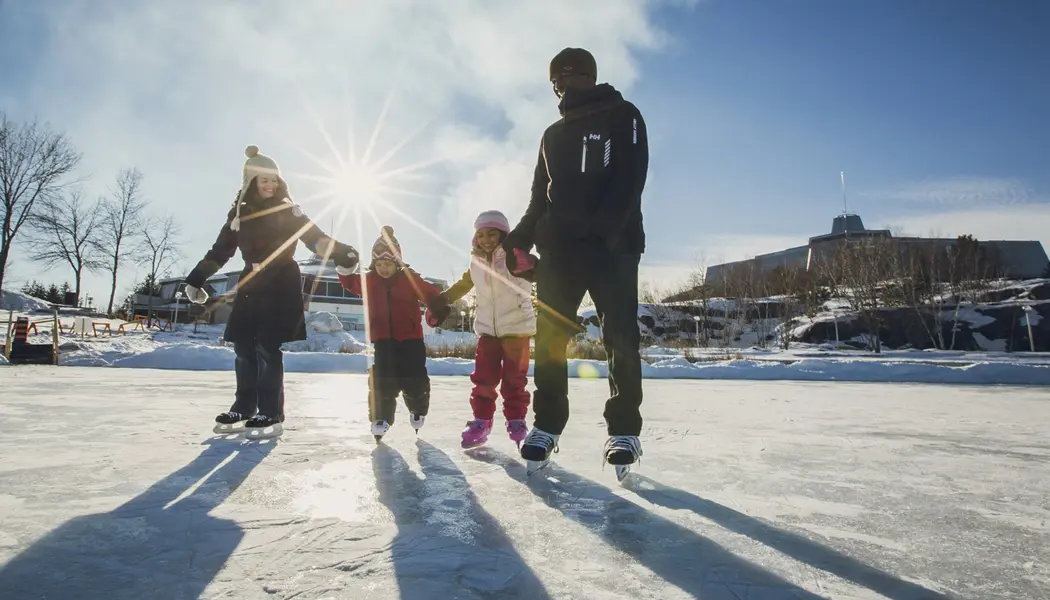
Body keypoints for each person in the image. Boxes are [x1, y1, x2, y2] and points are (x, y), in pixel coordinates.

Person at [503, 47, 649, 478]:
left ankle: (623, 430)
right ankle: (547, 425)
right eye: (554, 80)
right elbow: (538, 198)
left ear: (585, 76)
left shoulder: (624, 115)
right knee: (550, 340)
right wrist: (520, 240)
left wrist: (599, 236)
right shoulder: (552, 134)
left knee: (620, 337)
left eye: (565, 77)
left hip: (613, 249)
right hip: (561, 254)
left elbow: (630, 180)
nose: (558, 87)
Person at [185, 145, 360, 439]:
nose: (270, 185)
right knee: (243, 347)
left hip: (280, 281)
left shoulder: (288, 210)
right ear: (251, 181)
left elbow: (314, 237)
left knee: (267, 347)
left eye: (274, 180)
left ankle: (270, 411)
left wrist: (342, 253)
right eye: (263, 180)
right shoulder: (239, 214)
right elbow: (220, 251)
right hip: (250, 282)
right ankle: (244, 407)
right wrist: (197, 278)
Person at [336, 225, 450, 442]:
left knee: (414, 378)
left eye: (388, 264)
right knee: (382, 379)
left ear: (397, 262)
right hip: (383, 341)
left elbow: (428, 292)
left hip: (411, 341)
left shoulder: (409, 279)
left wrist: (437, 305)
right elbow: (349, 282)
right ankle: (381, 417)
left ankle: (417, 408)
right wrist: (344, 264)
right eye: (379, 264)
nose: (383, 269)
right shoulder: (369, 281)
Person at [436, 210, 539, 449]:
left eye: (492, 234)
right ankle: (482, 421)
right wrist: (443, 300)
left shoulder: (515, 256)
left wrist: (531, 264)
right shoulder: (476, 261)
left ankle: (516, 420)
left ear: (503, 234)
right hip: (487, 331)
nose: (486, 239)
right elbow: (464, 283)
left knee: (514, 381)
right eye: (481, 234)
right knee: (483, 379)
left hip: (517, 329)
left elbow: (536, 274)